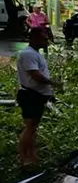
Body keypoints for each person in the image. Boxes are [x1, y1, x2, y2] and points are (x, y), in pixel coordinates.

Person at [16, 28, 57, 165]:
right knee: (30, 128)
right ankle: (23, 157)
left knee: (33, 128)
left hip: (37, 95)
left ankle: (32, 156)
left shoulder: (34, 53)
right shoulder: (28, 54)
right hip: (30, 95)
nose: (45, 41)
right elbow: (35, 75)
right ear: (33, 38)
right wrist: (52, 83)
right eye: (43, 39)